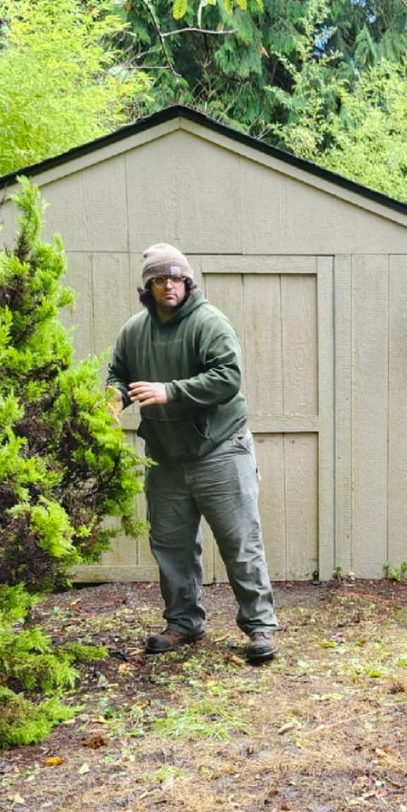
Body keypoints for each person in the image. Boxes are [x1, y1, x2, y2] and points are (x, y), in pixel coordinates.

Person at [107, 243, 277, 660]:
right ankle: (184, 624)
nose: (170, 286)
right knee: (171, 546)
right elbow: (119, 373)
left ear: (188, 282)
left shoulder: (208, 322)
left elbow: (227, 378)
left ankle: (259, 628)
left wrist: (169, 391)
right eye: (160, 279)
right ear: (147, 287)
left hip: (221, 450)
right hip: (166, 457)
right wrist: (114, 398)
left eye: (177, 278)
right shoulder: (134, 331)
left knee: (240, 543)